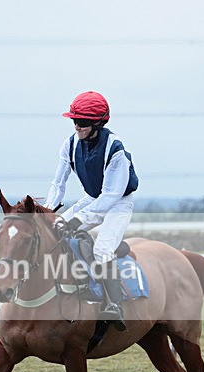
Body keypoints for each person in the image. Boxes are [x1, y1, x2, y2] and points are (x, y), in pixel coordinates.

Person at [44, 91, 138, 329]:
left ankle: (114, 305)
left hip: (118, 203)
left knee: (102, 248)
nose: (77, 126)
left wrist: (77, 220)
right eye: (75, 120)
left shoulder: (116, 150)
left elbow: (110, 197)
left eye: (83, 122)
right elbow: (58, 183)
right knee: (54, 230)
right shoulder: (70, 144)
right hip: (92, 198)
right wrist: (48, 211)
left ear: (98, 123)